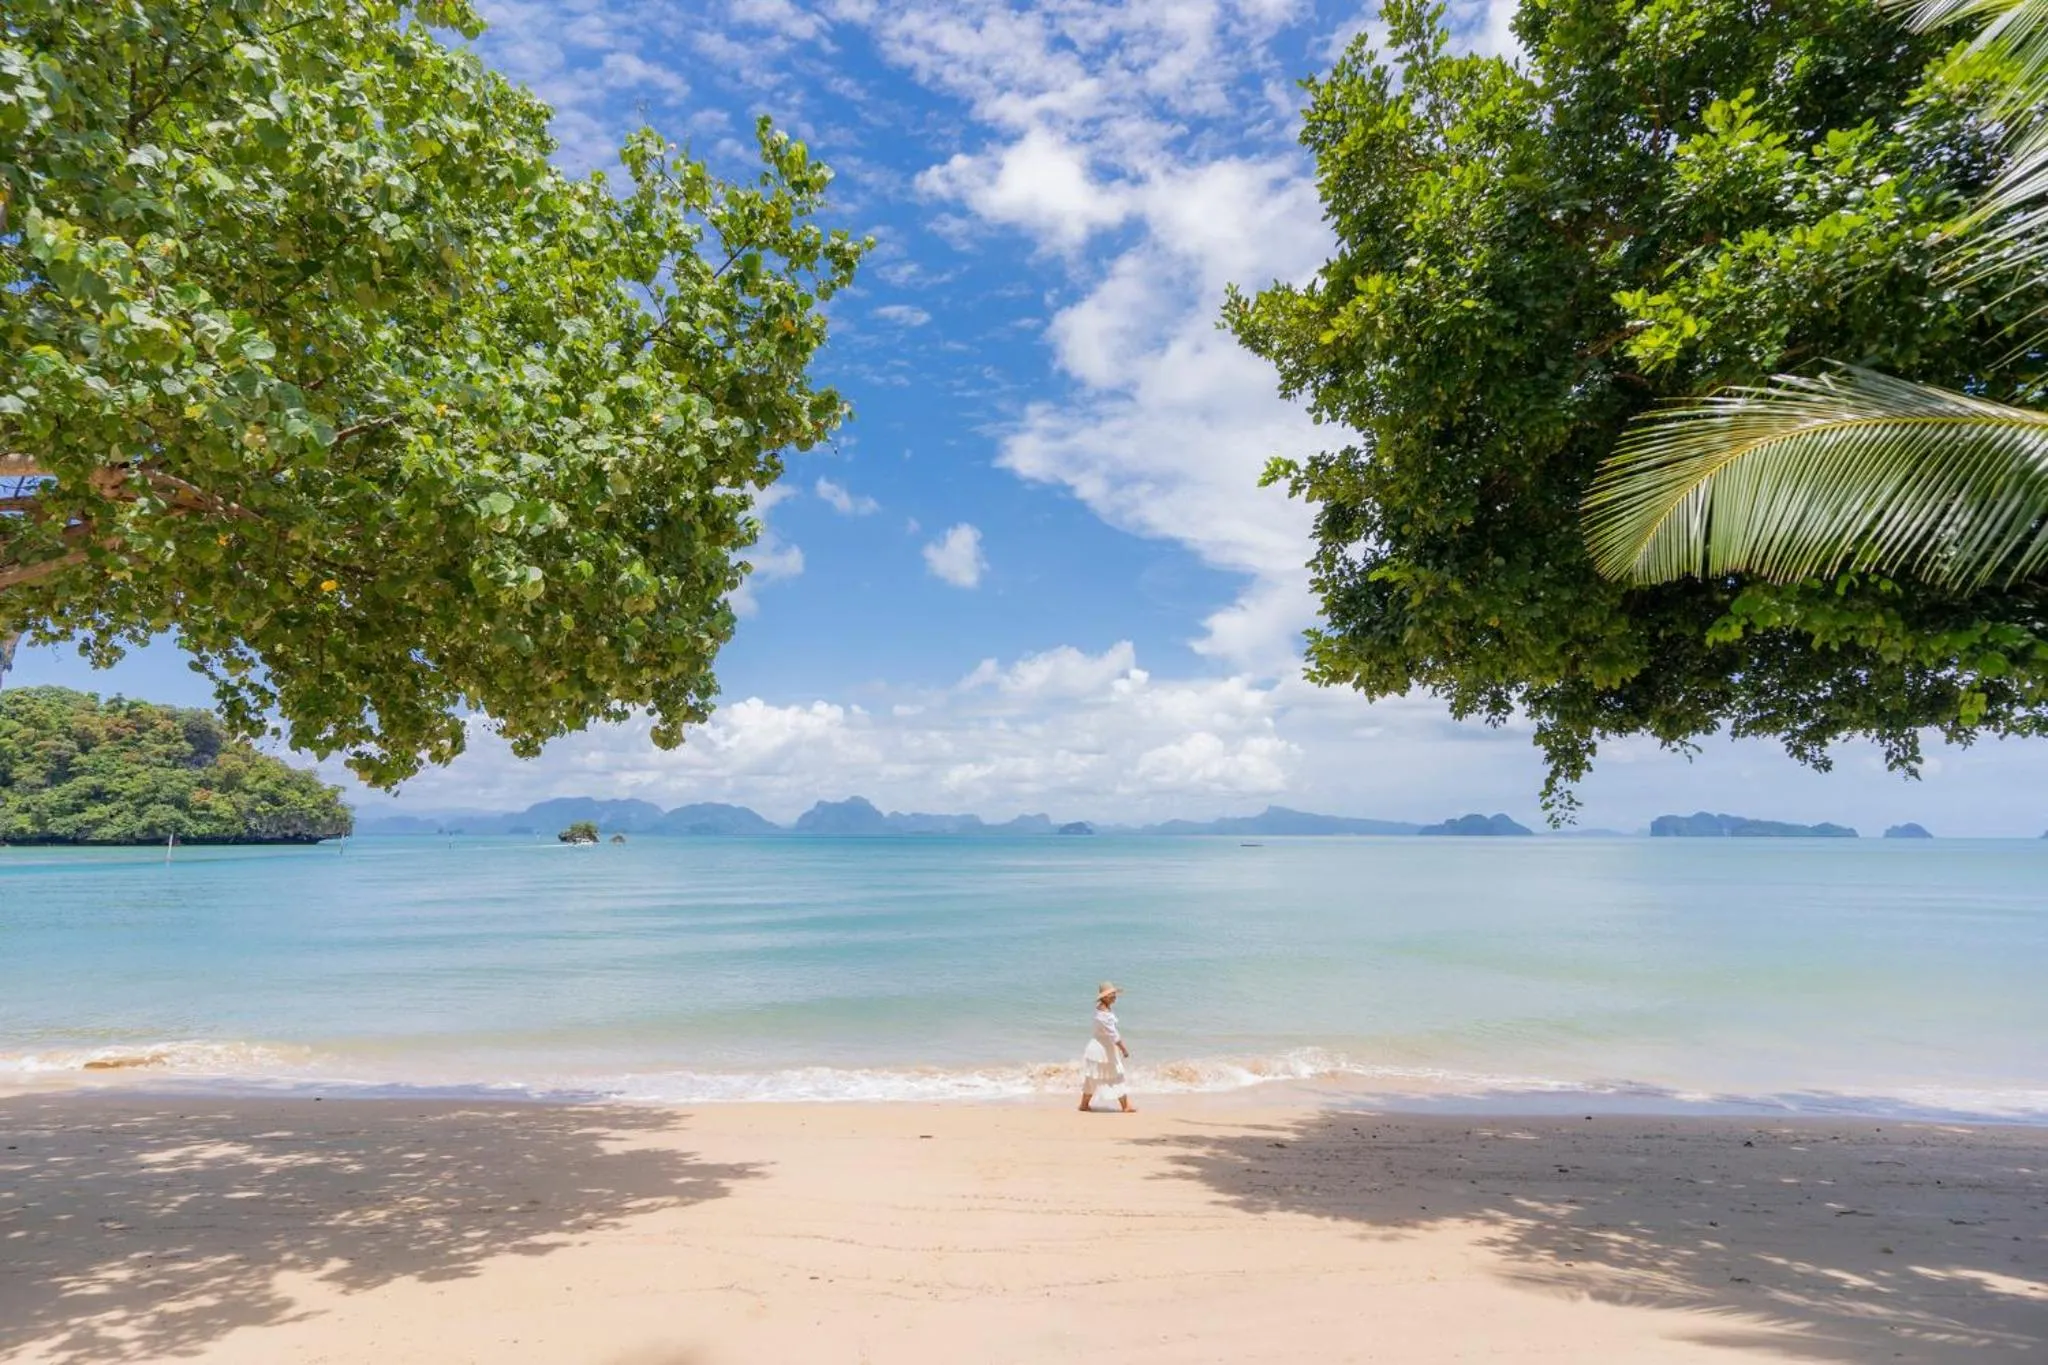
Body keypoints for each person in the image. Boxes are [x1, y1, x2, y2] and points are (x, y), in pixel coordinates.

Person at [1080, 981, 1135, 1113]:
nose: (1115, 997)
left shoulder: (1102, 1010)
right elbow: (1113, 1035)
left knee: (1093, 1077)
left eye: (1114, 994)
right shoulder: (1104, 1014)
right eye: (1112, 995)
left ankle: (1084, 1104)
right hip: (1102, 1050)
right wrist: (1124, 1049)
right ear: (1104, 997)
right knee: (1116, 1075)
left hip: (1100, 1048)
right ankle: (1125, 1106)